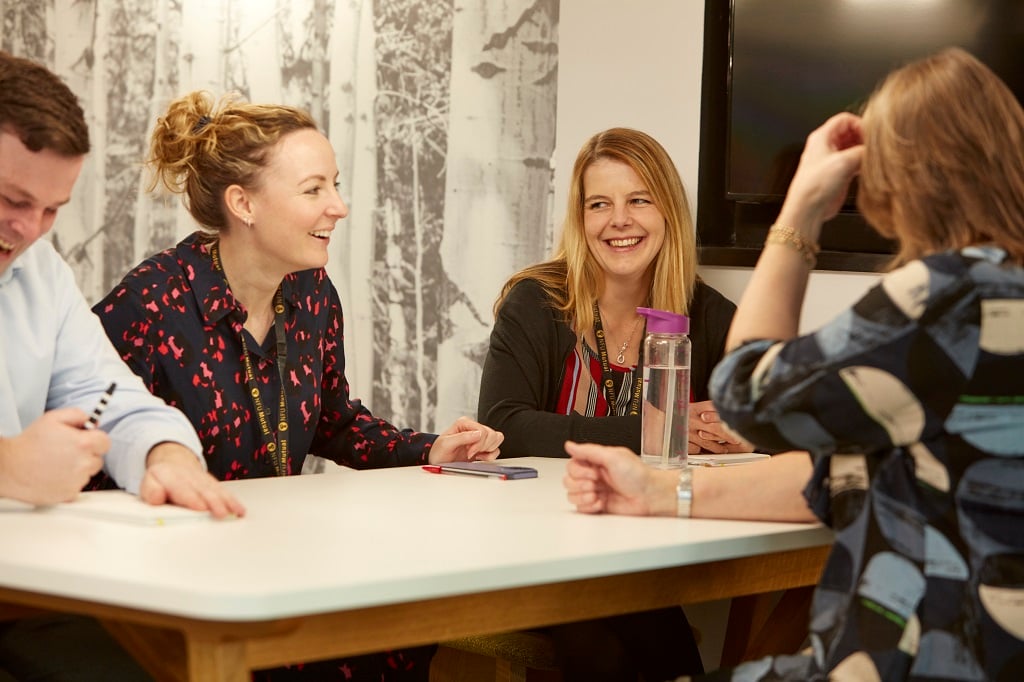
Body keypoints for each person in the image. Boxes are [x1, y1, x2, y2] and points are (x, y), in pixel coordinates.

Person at [564, 47, 1024, 681]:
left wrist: (801, 207)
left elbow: (746, 395)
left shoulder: (936, 300)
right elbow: (840, 470)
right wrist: (661, 491)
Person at [92, 90, 504, 681]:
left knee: (397, 632)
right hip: (169, 576)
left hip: (272, 558)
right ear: (244, 204)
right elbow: (91, 447)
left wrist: (430, 450)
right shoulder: (152, 302)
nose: (337, 206)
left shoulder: (312, 295)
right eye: (314, 190)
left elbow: (334, 421)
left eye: (334, 185)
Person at [0, 51, 244, 681]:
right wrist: (7, 466)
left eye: (52, 209)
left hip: (29, 594)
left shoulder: (41, 272)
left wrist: (166, 454)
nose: (27, 229)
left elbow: (110, 394)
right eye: (10, 198)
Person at [478, 127, 748, 681]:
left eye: (639, 200)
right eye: (599, 204)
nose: (618, 220)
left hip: (642, 546)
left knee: (626, 617)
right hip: (536, 540)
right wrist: (657, 433)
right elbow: (505, 425)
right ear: (581, 221)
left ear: (667, 211)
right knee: (600, 638)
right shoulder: (537, 300)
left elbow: (768, 419)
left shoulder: (709, 315)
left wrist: (739, 429)